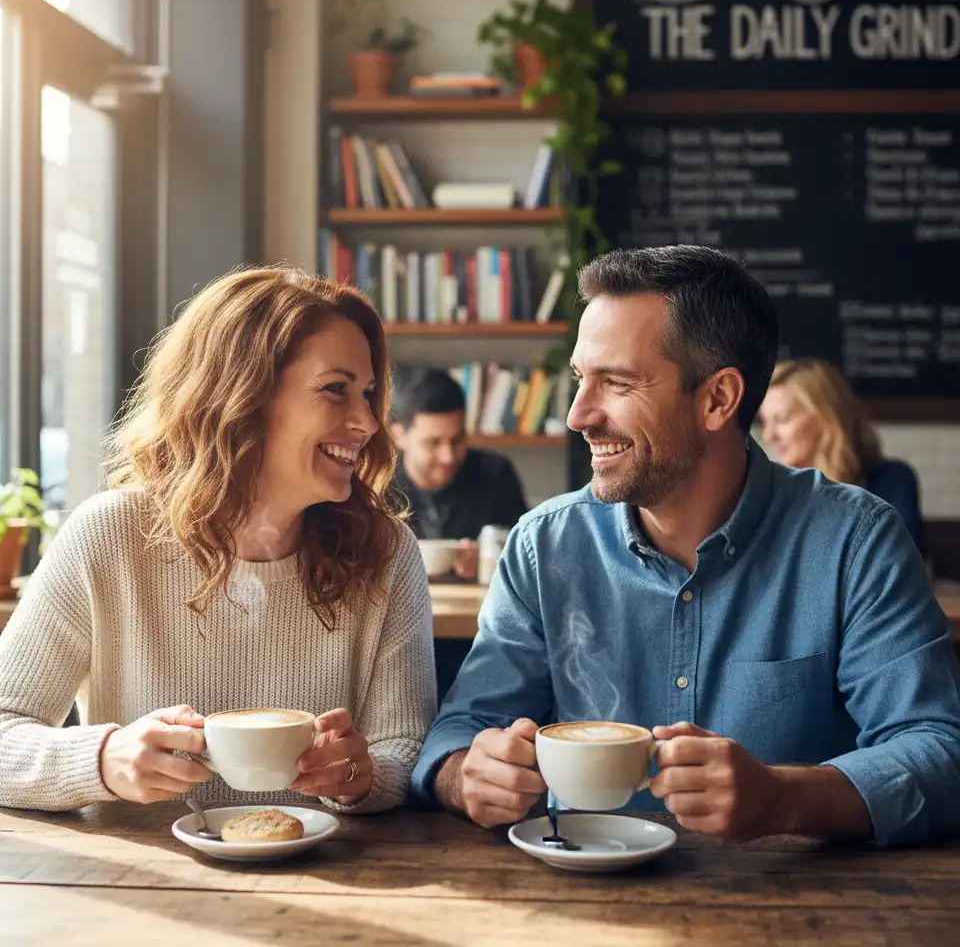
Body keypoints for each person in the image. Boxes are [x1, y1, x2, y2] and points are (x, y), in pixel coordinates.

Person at [411, 245, 960, 846]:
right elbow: (459, 731)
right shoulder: (545, 546)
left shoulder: (856, 542)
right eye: (579, 380)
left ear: (718, 399)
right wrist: (465, 776)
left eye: (615, 383)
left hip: (791, 912)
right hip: (575, 906)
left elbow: (939, 752)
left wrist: (785, 797)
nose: (575, 415)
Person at [0, 266, 436, 813]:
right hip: (138, 886)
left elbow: (405, 750)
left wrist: (359, 778)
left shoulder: (386, 555)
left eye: (368, 394)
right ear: (242, 396)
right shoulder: (109, 537)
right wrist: (104, 759)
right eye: (335, 390)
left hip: (322, 877)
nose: (368, 422)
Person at [759, 358, 925, 555]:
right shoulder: (771, 493)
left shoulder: (892, 480)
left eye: (783, 419)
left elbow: (896, 567)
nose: (769, 436)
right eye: (765, 422)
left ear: (826, 418)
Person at [391, 367, 528, 579]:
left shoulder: (495, 473)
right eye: (433, 442)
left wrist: (489, 558)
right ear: (399, 436)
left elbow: (528, 551)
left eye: (457, 440)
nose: (449, 456)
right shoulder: (378, 483)